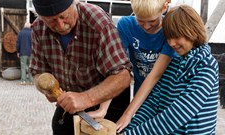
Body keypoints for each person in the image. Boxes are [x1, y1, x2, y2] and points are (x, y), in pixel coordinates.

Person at [30, 0, 132, 134]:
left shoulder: (98, 22)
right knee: (60, 128)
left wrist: (86, 98)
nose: (60, 25)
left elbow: (123, 76)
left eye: (63, 17)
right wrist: (45, 88)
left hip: (108, 99)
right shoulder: (38, 28)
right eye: (51, 21)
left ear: (74, 3)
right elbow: (38, 72)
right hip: (70, 98)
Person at [119, 4, 219, 135]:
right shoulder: (172, 63)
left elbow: (177, 114)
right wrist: (129, 128)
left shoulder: (207, 67)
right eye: (168, 38)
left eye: (176, 37)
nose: (171, 43)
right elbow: (153, 102)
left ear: (192, 31)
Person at [116, 0, 176, 131]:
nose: (147, 26)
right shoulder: (126, 25)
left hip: (165, 97)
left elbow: (155, 74)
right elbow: (118, 68)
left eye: (152, 21)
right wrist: (103, 109)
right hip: (140, 96)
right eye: (141, 21)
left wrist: (127, 114)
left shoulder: (171, 29)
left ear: (164, 7)